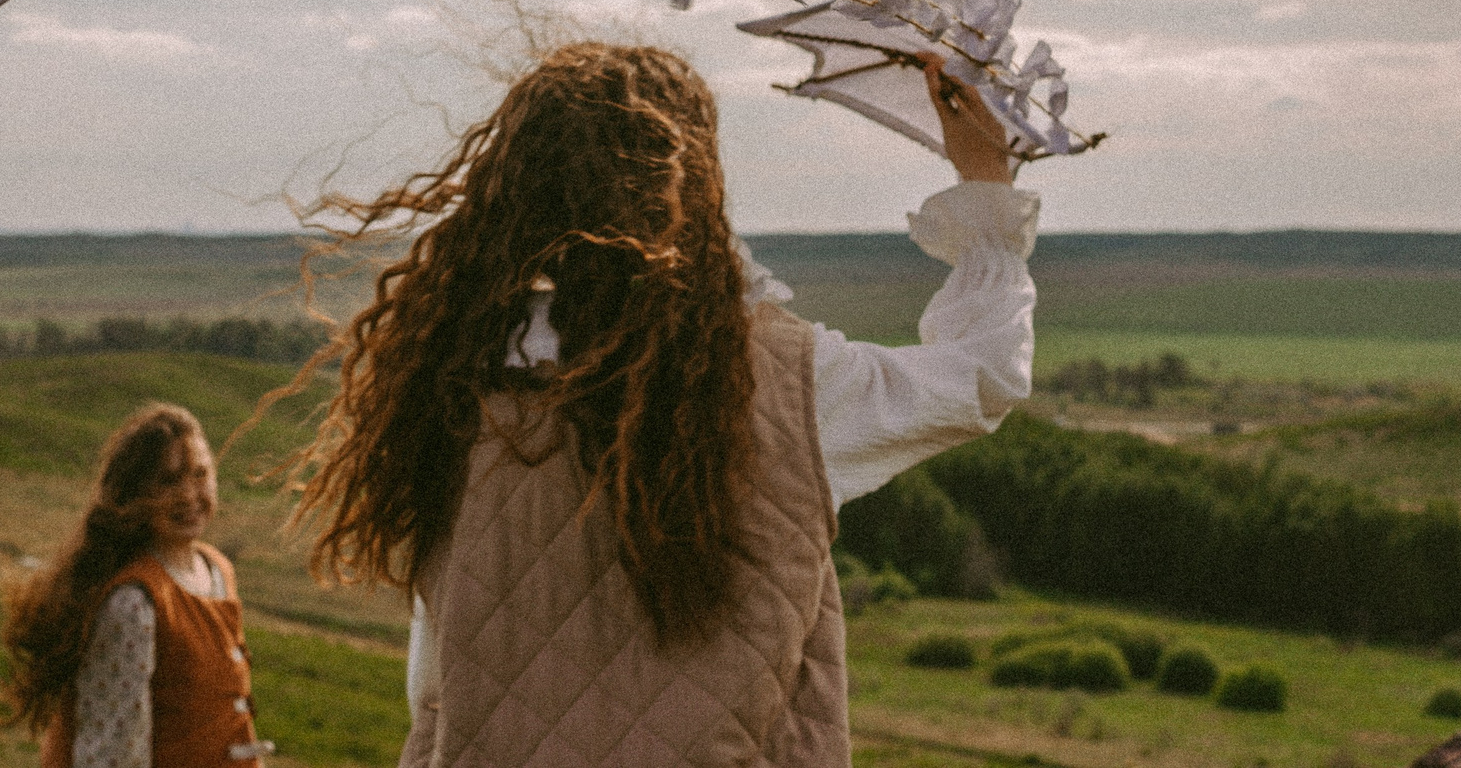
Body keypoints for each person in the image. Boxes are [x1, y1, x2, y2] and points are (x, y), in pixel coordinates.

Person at [285, 41, 1037, 768]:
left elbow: (434, 679)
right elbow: (984, 372)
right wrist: (985, 183)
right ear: (694, 188)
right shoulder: (783, 378)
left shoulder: (455, 373)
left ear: (517, 188)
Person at [1, 403, 270, 768]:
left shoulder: (218, 568)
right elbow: (114, 750)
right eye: (168, 480)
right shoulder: (133, 602)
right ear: (135, 493)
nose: (189, 495)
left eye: (200, 474)